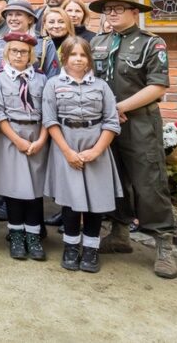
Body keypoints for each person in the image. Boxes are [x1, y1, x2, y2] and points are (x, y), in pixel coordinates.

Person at [88, 0, 177, 279]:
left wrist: (120, 107)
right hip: (105, 124)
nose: (111, 13)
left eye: (118, 8)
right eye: (107, 9)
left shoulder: (152, 43)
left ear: (134, 12)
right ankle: (119, 233)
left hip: (138, 123)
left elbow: (158, 86)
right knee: (114, 179)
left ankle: (164, 242)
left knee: (148, 182)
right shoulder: (98, 42)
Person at [43, 36, 123, 273]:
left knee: (95, 202)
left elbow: (111, 121)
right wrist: (67, 152)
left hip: (96, 144)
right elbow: (50, 120)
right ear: (64, 58)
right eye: (72, 55)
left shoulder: (101, 87)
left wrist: (97, 150)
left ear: (89, 59)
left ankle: (90, 248)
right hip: (66, 145)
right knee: (72, 201)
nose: (78, 60)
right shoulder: (53, 85)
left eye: (82, 55)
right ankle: (70, 246)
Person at [0, 32, 49, 261]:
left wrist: (42, 140)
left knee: (35, 190)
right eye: (14, 51)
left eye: (23, 51)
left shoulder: (41, 79)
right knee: (14, 189)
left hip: (36, 135)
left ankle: (33, 236)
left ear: (31, 55)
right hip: (11, 136)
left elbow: (48, 112)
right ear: (6, 53)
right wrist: (17, 140)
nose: (18, 55)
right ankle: (16, 234)